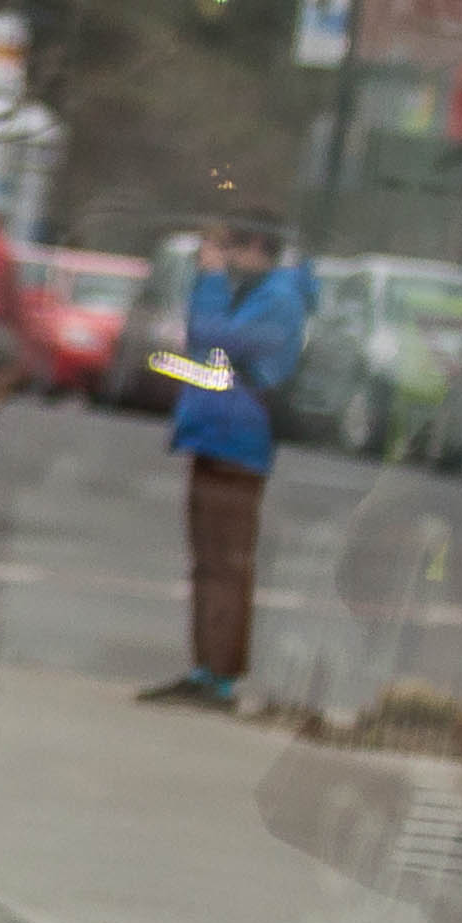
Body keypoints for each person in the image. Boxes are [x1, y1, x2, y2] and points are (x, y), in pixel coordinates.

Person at [140, 213, 312, 711]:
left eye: (230, 246)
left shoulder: (279, 299)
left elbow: (214, 338)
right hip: (212, 438)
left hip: (238, 445)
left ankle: (221, 677)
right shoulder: (252, 292)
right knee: (208, 562)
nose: (221, 257)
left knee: (227, 563)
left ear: (259, 245)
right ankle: (204, 667)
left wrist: (211, 281)